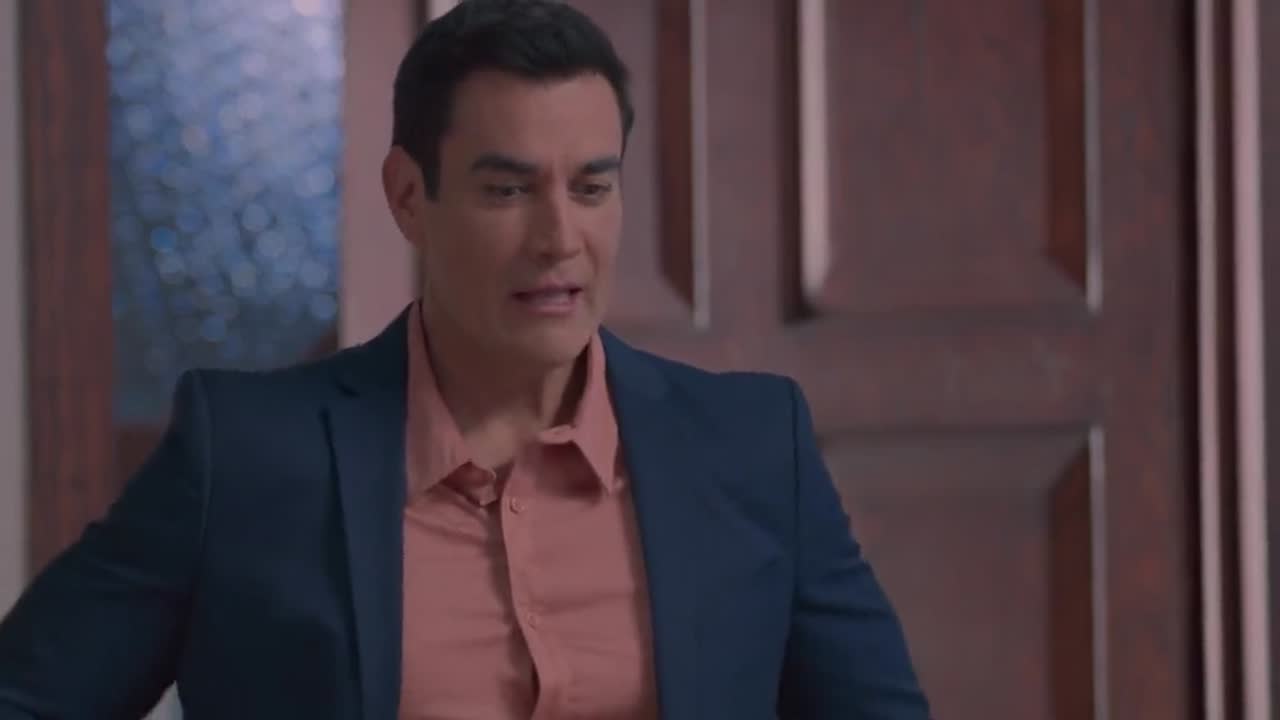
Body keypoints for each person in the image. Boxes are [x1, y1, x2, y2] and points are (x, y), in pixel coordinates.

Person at [0, 0, 930, 717]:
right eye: (508, 191)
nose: (558, 239)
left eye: (591, 188)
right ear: (410, 196)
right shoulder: (242, 456)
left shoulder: (753, 446)